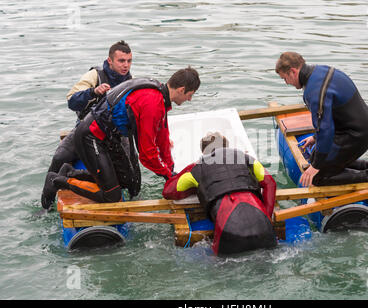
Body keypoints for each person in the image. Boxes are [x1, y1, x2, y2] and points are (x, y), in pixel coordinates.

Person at [45, 67, 201, 205]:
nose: (190, 99)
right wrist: (167, 174)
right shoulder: (152, 103)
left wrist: (171, 170)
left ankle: (69, 172)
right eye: (190, 95)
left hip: (109, 138)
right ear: (181, 89)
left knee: (128, 182)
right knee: (112, 196)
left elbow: (162, 138)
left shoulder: (160, 96)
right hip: (91, 137)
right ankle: (57, 180)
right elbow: (147, 154)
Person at [275, 52, 368, 202]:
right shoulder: (318, 73)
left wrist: (316, 167)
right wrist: (315, 139)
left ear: (293, 72)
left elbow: (326, 130)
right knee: (316, 157)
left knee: (318, 177)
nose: (286, 83)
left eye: (285, 78)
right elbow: (330, 117)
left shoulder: (314, 91)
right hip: (356, 128)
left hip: (355, 136)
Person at [41, 41, 134, 209]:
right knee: (60, 157)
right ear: (110, 60)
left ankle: (121, 199)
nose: (126, 65)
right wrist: (93, 92)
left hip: (115, 135)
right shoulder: (94, 76)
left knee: (129, 177)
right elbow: (71, 101)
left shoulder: (130, 82)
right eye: (121, 61)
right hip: (87, 130)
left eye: (129, 61)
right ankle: (46, 204)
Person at [162, 132, 277, 256]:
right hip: (263, 225)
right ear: (226, 146)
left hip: (228, 232)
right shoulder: (245, 157)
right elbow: (270, 183)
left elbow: (168, 191)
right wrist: (268, 217)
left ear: (204, 152)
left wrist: (190, 170)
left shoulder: (197, 168)